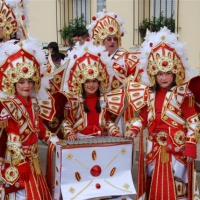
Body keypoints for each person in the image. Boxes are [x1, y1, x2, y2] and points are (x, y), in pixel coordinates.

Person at [125, 27, 200, 199]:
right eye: (159, 73)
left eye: (167, 73)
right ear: (153, 74)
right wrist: (134, 129)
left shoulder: (183, 93)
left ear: (175, 73)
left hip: (177, 149)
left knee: (177, 184)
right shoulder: (148, 94)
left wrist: (190, 146)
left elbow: (194, 121)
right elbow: (142, 118)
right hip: (156, 149)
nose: (164, 77)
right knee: (156, 184)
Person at [0, 38, 59, 199]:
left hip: (33, 161)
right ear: (13, 82)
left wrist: (54, 140)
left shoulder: (34, 103)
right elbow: (12, 137)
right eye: (21, 81)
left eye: (30, 81)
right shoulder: (9, 106)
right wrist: (20, 162)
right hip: (17, 162)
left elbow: (39, 129)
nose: (26, 85)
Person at [55, 41, 125, 140]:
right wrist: (70, 133)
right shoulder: (75, 101)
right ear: (82, 83)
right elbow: (66, 123)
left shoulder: (103, 100)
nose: (91, 85)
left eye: (94, 81)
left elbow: (107, 122)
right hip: (80, 142)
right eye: (87, 81)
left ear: (99, 82)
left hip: (99, 141)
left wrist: (115, 131)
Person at [87, 10, 142, 133]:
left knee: (121, 138)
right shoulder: (94, 58)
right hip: (99, 105)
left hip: (121, 108)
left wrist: (128, 83)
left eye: (114, 39)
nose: (112, 41)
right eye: (108, 39)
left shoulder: (127, 57)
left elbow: (138, 78)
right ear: (101, 41)